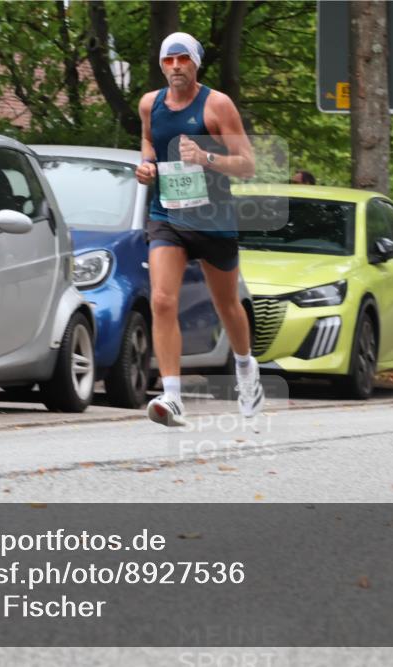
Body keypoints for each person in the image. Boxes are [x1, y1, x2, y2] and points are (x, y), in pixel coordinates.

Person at [135, 31, 262, 427]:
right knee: (161, 299)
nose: (175, 67)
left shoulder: (217, 105)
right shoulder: (149, 105)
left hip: (213, 219)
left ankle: (245, 370)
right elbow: (148, 143)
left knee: (227, 304)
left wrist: (205, 156)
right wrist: (146, 167)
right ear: (161, 64)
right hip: (168, 214)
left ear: (195, 63)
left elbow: (248, 164)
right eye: (168, 60)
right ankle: (172, 397)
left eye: (182, 59)